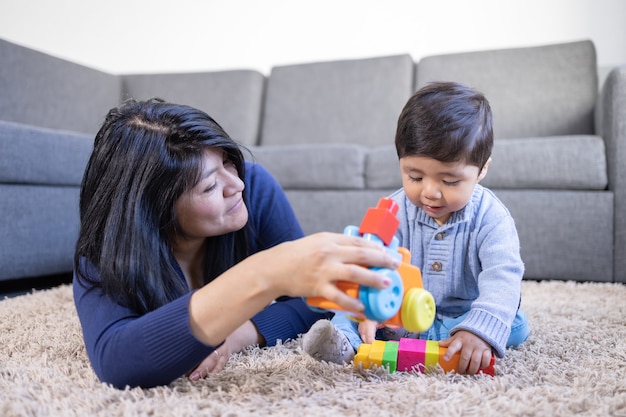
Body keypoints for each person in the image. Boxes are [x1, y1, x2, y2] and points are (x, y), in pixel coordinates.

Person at [73, 98, 401, 389]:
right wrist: (264, 273)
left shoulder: (255, 187)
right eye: (210, 185)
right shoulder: (107, 247)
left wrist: (235, 332)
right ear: (153, 208)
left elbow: (310, 304)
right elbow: (115, 360)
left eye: (228, 162)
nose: (237, 184)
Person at [303, 82, 530, 374]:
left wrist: (478, 329)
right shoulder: (392, 210)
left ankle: (458, 337)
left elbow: (503, 277)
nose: (430, 192)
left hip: (462, 313)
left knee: (512, 323)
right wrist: (371, 308)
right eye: (415, 176)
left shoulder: (492, 218)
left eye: (449, 181)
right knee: (347, 310)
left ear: (482, 169)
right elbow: (371, 261)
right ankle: (344, 342)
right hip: (400, 310)